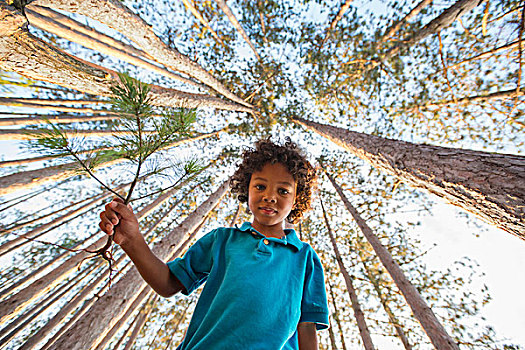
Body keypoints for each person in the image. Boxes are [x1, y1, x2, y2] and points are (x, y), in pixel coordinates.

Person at [99, 138, 329, 349]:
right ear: (246, 188)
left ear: (296, 199)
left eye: (283, 190)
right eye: (260, 186)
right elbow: (168, 283)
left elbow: (307, 326)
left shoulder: (304, 257)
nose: (270, 196)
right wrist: (131, 239)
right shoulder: (223, 240)